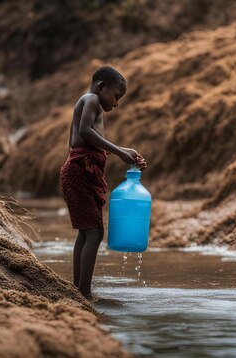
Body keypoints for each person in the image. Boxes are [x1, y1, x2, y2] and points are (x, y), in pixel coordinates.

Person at [60, 65, 146, 298]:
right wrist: (119, 151)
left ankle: (78, 288)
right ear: (101, 87)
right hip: (79, 172)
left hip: (82, 173)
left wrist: (125, 150)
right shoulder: (91, 99)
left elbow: (93, 140)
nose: (117, 103)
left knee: (86, 232)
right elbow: (85, 132)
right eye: (117, 96)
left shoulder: (92, 103)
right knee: (94, 233)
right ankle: (84, 293)